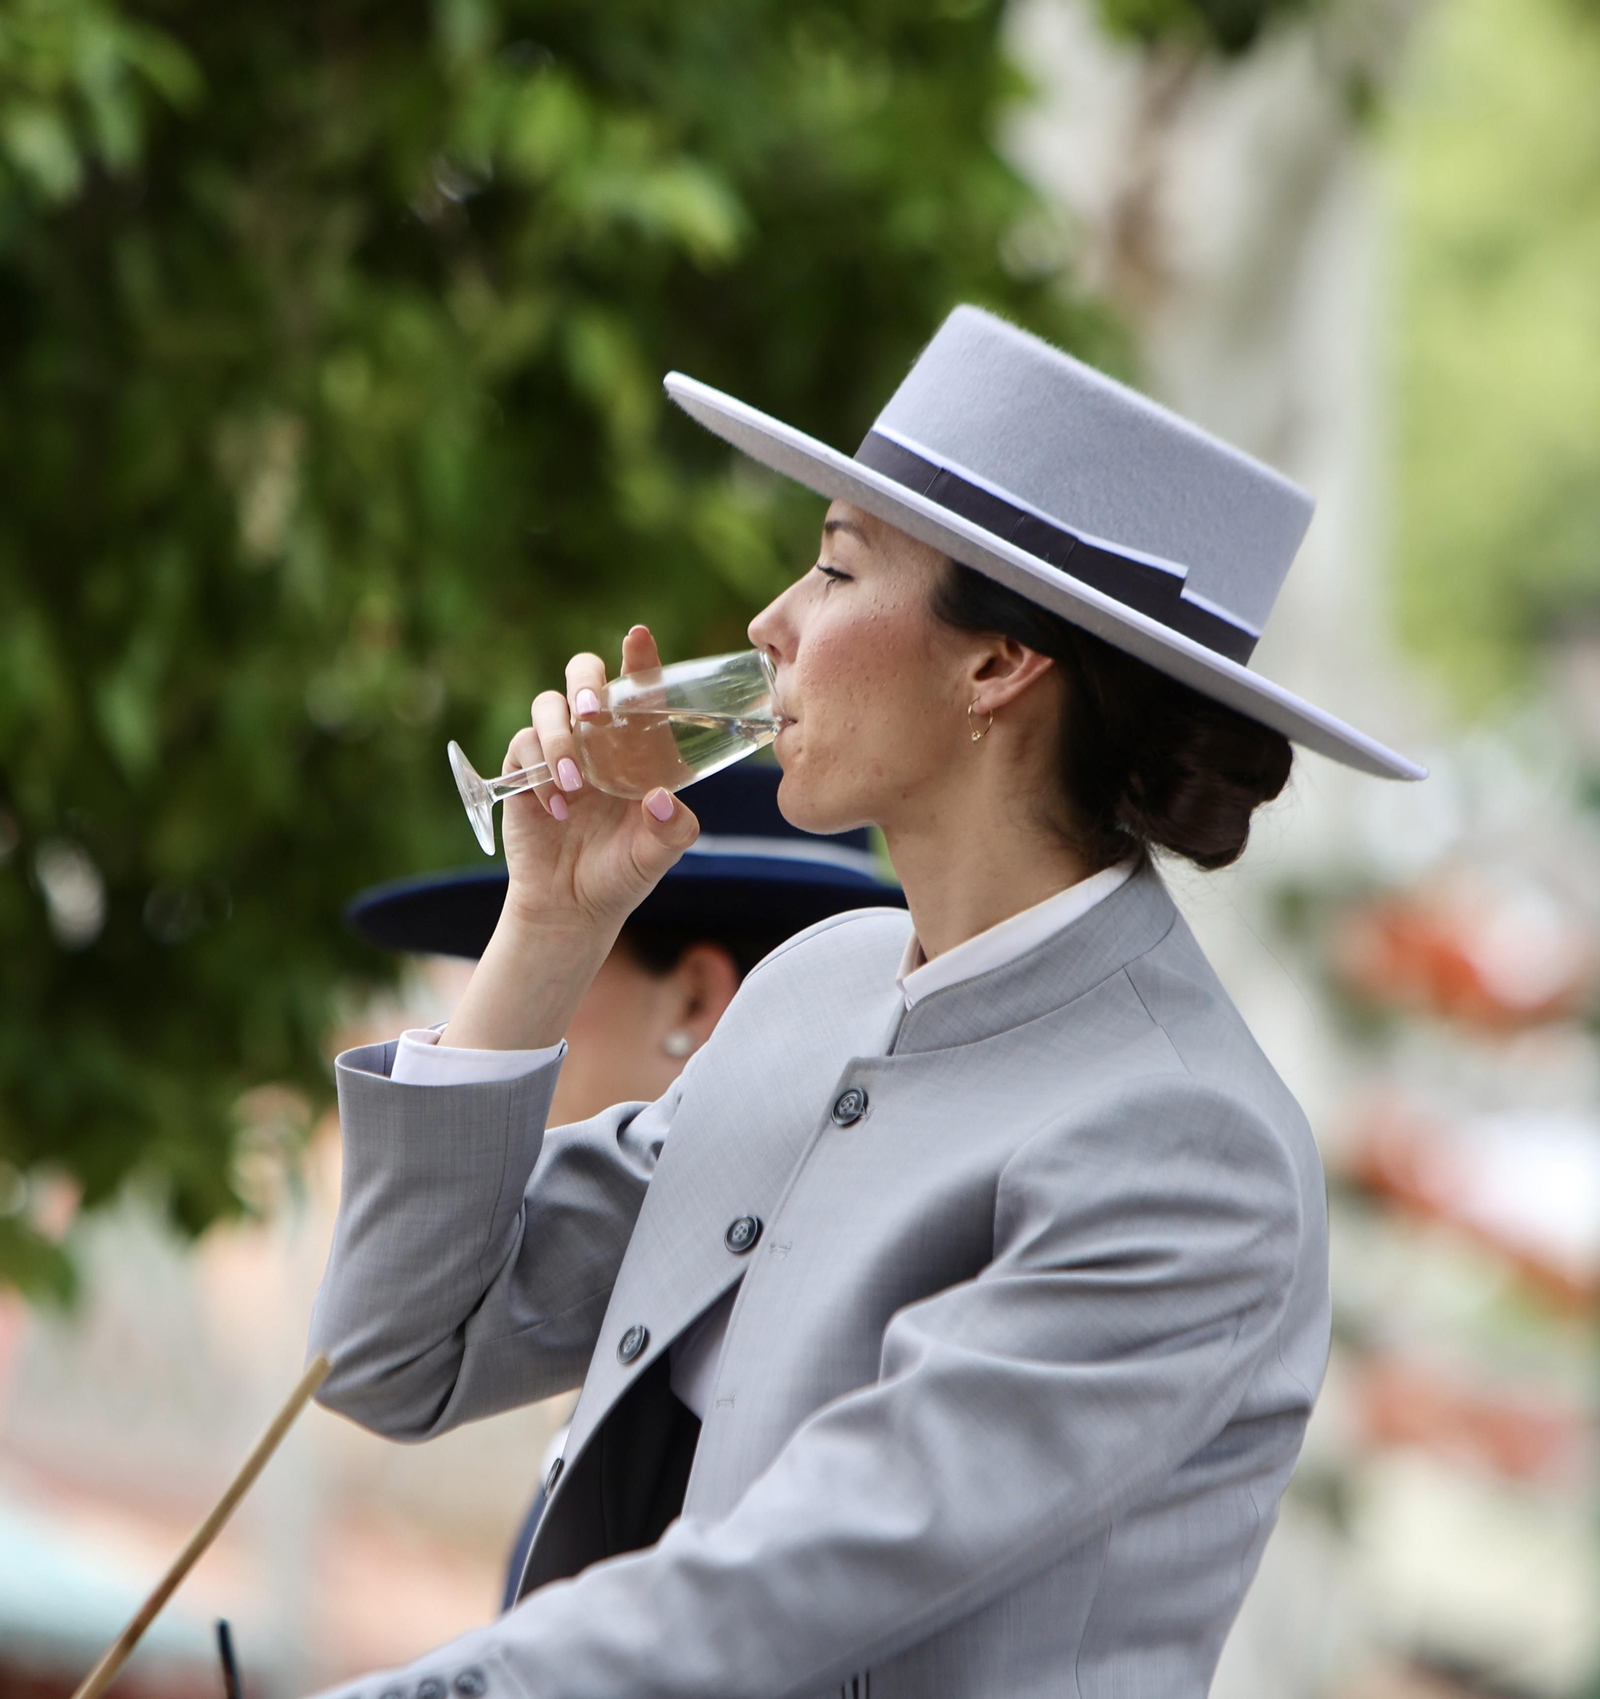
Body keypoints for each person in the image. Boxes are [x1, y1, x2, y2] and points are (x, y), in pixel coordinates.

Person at [306, 305, 1422, 1699]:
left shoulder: (1189, 1144)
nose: (771, 621)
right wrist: (550, 923)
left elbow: (800, 1576)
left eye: (836, 566)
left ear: (999, 665)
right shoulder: (814, 986)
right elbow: (395, 1356)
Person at [341, 762, 905, 1609]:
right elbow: (377, 1354)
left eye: (570, 950)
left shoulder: (813, 1308)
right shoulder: (617, 1283)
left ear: (691, 996)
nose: (486, 1011)